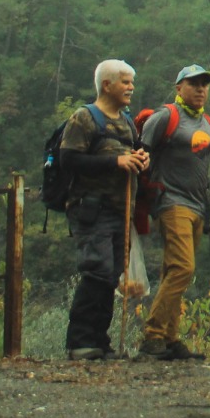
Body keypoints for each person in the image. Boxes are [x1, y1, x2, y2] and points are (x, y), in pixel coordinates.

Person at [61, 59, 147, 361]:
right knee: (96, 271)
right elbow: (69, 160)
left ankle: (100, 341)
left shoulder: (126, 121)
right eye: (125, 81)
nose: (131, 87)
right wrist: (115, 162)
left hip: (121, 210)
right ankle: (80, 341)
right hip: (91, 209)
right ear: (107, 84)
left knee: (111, 276)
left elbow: (131, 154)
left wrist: (139, 159)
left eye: (131, 82)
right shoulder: (84, 118)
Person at [137, 64, 210, 361]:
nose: (200, 89)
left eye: (204, 84)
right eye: (194, 83)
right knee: (184, 268)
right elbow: (140, 151)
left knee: (175, 270)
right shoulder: (166, 116)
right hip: (171, 201)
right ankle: (153, 335)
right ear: (178, 87)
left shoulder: (207, 122)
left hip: (197, 206)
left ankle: (170, 338)